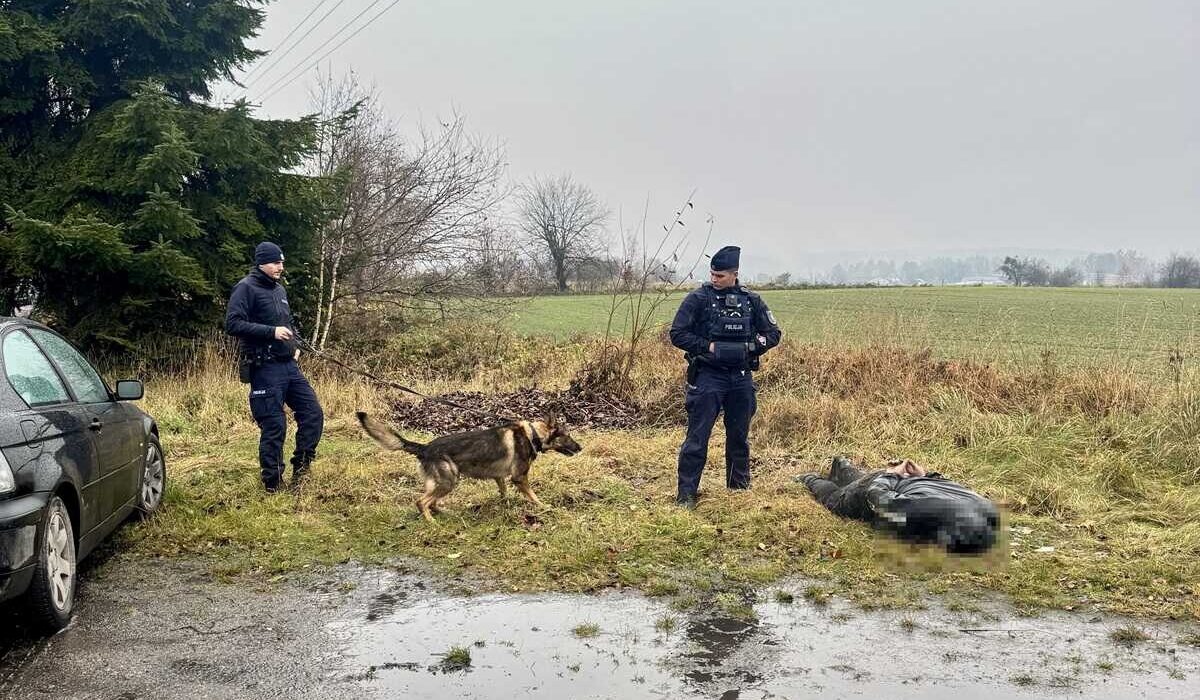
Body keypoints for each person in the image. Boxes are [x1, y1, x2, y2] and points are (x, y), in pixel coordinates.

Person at [669, 245, 782, 509]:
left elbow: (773, 334)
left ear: (734, 274)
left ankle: (738, 491)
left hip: (741, 378)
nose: (714, 280)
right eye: (712, 274)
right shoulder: (698, 299)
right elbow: (677, 333)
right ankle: (686, 495)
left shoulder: (751, 301)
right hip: (708, 376)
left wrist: (751, 347)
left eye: (720, 276)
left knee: (739, 437)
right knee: (697, 438)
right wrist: (707, 347)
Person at [225, 242, 324, 493]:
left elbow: (288, 323)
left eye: (282, 262)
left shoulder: (279, 290)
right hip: (264, 367)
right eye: (276, 263)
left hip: (289, 366)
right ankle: (273, 483)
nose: (281, 267)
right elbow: (233, 324)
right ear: (262, 263)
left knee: (313, 414)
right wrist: (271, 332)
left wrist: (296, 344)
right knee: (274, 425)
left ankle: (301, 470)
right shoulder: (245, 288)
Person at [797, 456, 1000, 554]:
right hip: (885, 484)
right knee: (836, 500)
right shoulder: (921, 513)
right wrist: (890, 475)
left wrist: (925, 475)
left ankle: (842, 464)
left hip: (908, 480)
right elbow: (875, 495)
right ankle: (807, 478)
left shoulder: (983, 506)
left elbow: (947, 484)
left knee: (860, 481)